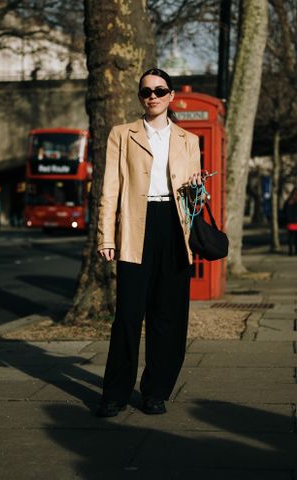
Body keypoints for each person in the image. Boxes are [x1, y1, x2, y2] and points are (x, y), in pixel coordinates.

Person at [96, 68, 202, 417]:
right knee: (128, 316)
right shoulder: (121, 134)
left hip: (174, 229)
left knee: (169, 317)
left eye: (159, 90)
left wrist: (200, 191)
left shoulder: (189, 140)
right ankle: (115, 393)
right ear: (140, 97)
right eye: (145, 92)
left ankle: (155, 391)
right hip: (136, 227)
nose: (152, 96)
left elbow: (194, 197)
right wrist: (105, 236)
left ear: (171, 96)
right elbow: (110, 188)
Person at [283, 187, 297, 255]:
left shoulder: (288, 201)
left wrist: (288, 219)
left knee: (291, 237)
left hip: (290, 222)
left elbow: (285, 211)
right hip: (295, 222)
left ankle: (290, 251)